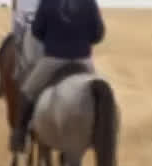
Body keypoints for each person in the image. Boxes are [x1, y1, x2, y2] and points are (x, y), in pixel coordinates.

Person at [10, 0, 105, 153]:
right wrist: (82, 41)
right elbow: (99, 34)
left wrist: (52, 39)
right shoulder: (89, 2)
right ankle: (102, 137)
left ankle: (19, 135)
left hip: (54, 59)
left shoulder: (48, 2)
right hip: (84, 61)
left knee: (27, 91)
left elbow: (37, 31)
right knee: (101, 92)